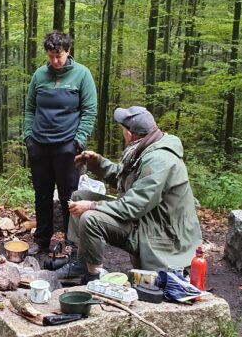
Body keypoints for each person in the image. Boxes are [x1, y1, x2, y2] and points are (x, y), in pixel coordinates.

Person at [59, 106, 202, 282]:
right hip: (147, 219)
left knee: (90, 218)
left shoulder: (159, 160)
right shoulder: (148, 147)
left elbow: (133, 206)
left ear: (130, 134)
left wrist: (91, 206)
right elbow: (130, 181)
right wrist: (99, 164)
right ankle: (81, 262)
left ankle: (92, 278)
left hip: (161, 233)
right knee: (79, 196)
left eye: (123, 130)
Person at [23, 31, 97, 257]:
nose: (55, 61)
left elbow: (89, 110)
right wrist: (28, 137)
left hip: (68, 146)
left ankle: (70, 240)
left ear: (68, 51)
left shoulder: (82, 75)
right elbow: (30, 108)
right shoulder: (39, 75)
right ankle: (42, 239)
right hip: (39, 144)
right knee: (42, 194)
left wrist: (78, 140)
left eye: (59, 56)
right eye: (51, 56)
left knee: (69, 195)